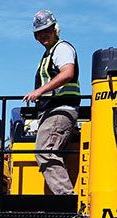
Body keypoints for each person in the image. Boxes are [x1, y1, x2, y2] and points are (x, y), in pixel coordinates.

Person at [23, 9, 80, 196]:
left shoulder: (62, 49)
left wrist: (39, 91)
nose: (43, 36)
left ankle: (66, 199)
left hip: (60, 109)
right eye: (38, 33)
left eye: (46, 30)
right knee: (49, 152)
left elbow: (68, 72)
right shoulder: (49, 54)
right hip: (51, 111)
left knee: (44, 150)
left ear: (55, 29)